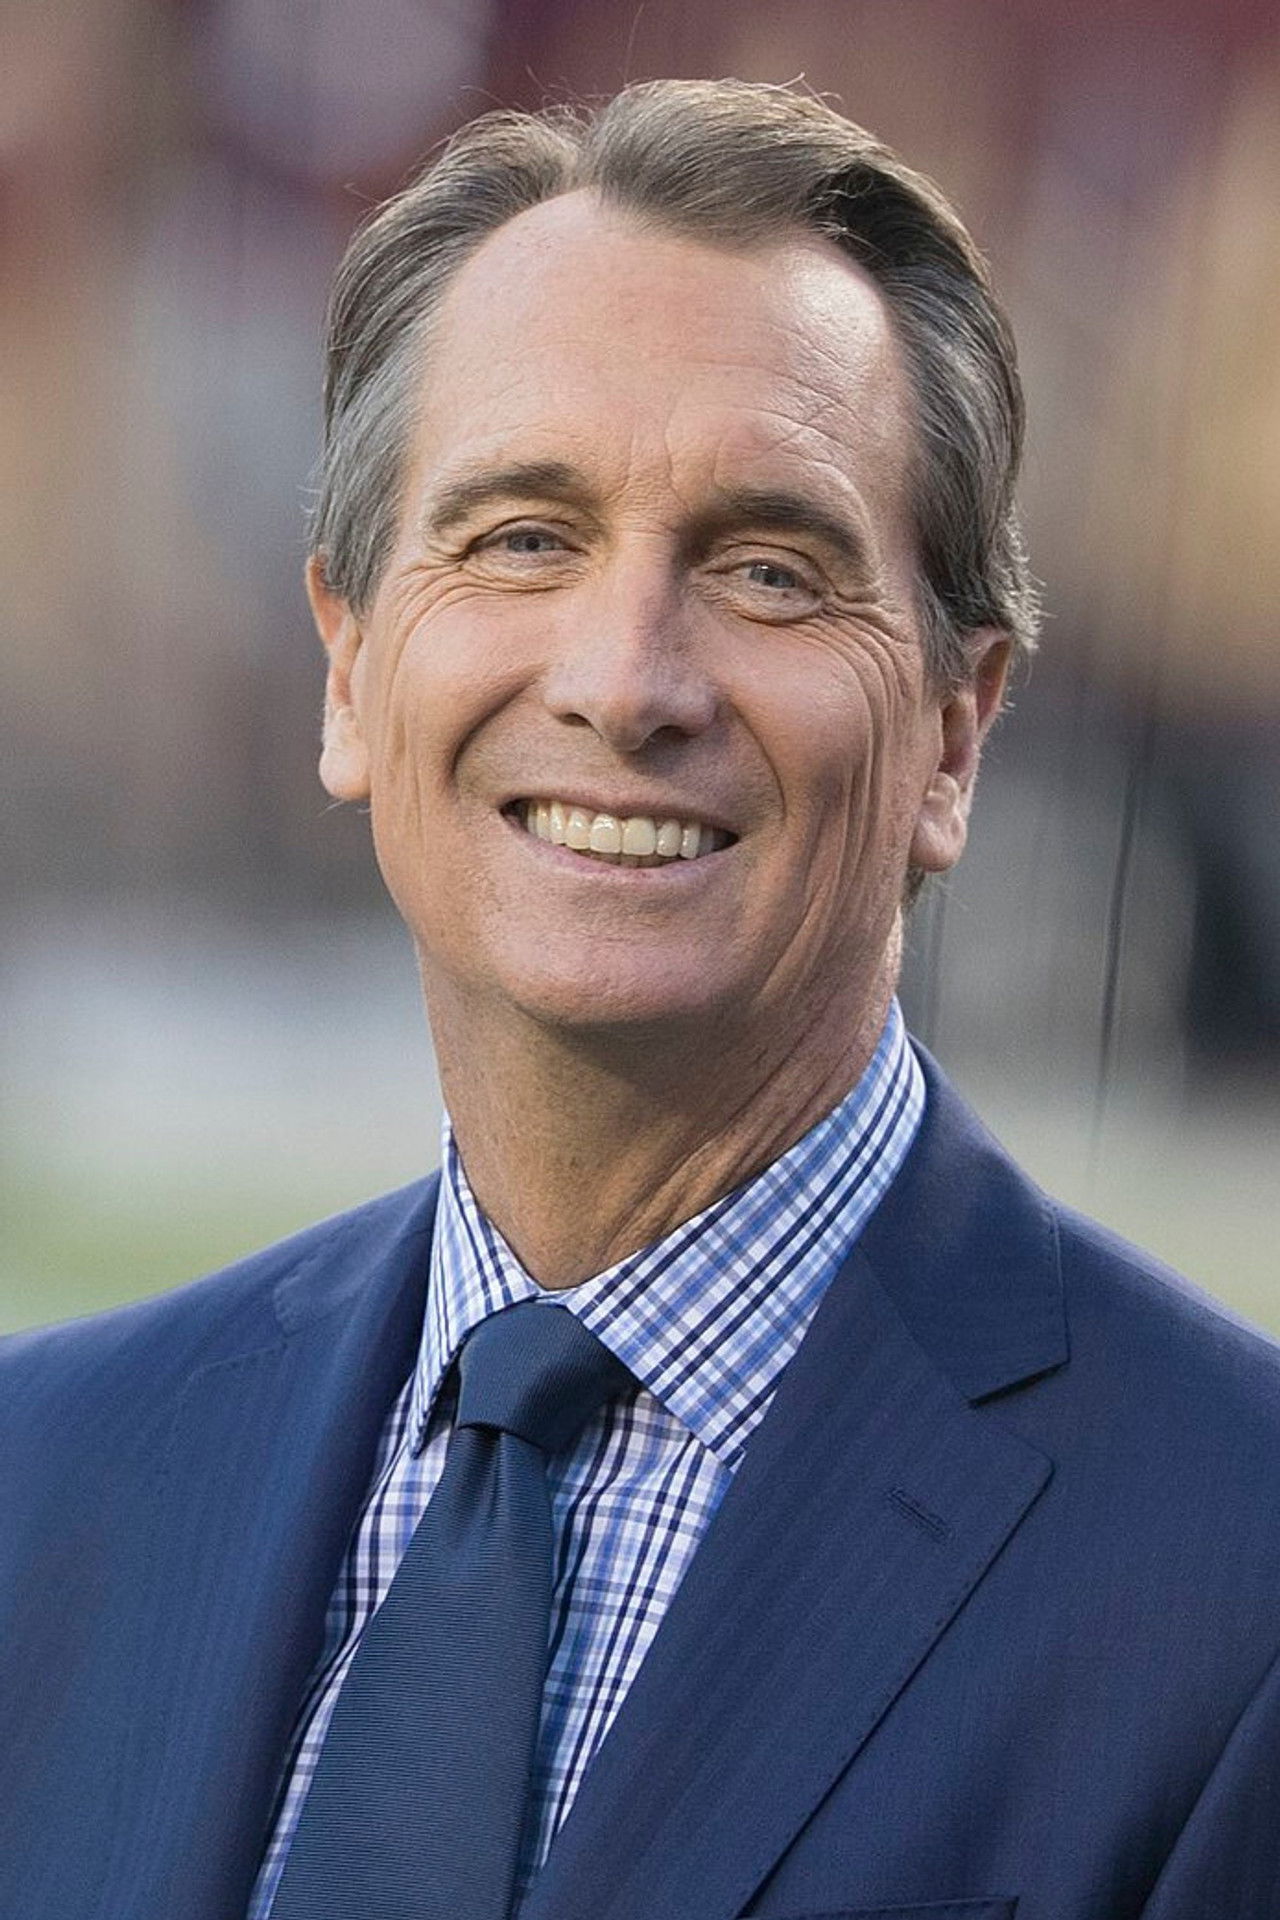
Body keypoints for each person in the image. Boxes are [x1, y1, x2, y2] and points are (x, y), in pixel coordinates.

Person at [2, 78, 1279, 1920]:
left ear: (954, 735)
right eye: (523, 536)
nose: (623, 680)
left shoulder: (1232, 1584)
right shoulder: (50, 1480)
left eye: (769, 570)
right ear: (350, 671)